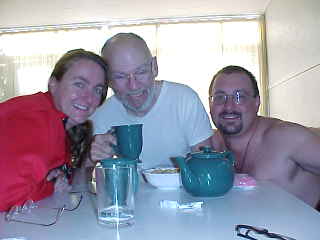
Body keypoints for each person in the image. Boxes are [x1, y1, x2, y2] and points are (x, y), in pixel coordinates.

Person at [90, 33, 223, 169]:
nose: (133, 86)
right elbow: (82, 183)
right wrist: (90, 159)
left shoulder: (184, 100)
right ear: (108, 80)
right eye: (120, 76)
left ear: (154, 67)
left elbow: (206, 166)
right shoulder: (101, 113)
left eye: (141, 72)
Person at [0, 49, 109, 211]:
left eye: (97, 90)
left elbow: (66, 184)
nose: (89, 97)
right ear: (53, 84)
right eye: (79, 84)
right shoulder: (33, 119)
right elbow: (7, 199)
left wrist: (88, 161)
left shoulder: (62, 123)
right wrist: (50, 187)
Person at [209, 65, 320, 208]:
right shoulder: (210, 146)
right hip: (251, 227)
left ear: (257, 102)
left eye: (240, 97)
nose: (229, 107)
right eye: (219, 97)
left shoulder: (287, 138)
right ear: (210, 104)